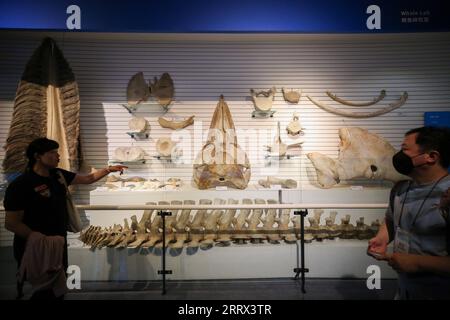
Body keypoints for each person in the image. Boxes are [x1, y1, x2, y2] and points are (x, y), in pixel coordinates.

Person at [3, 138, 127, 299]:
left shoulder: (58, 175)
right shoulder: (21, 184)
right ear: (37, 156)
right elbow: (11, 222)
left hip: (59, 241)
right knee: (42, 289)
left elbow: (87, 179)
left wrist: (109, 169)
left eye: (57, 152)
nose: (58, 156)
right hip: (36, 245)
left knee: (58, 285)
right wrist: (39, 239)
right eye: (52, 153)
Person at [368, 126, 450, 299]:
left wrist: (418, 263)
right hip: (405, 289)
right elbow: (391, 219)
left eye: (405, 150)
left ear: (431, 157)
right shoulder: (400, 189)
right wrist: (383, 238)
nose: (399, 156)